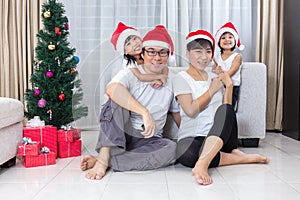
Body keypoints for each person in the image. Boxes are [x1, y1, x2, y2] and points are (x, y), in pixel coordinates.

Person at [80, 25, 180, 180]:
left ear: (168, 54)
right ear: (144, 52)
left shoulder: (172, 78)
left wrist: (191, 135)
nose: (157, 57)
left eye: (162, 52)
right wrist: (144, 112)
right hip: (122, 136)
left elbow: (176, 112)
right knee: (114, 100)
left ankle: (106, 160)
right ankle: (105, 154)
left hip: (150, 141)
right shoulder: (130, 72)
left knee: (173, 149)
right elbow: (112, 89)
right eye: (152, 51)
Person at [172, 30, 269, 185]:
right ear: (187, 52)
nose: (203, 57)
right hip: (193, 136)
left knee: (226, 109)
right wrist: (212, 90)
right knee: (187, 154)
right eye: (198, 51)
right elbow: (190, 110)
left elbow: (227, 111)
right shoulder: (180, 78)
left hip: (220, 136)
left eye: (208, 52)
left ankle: (202, 164)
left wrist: (228, 86)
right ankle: (240, 159)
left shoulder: (216, 77)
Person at [110, 22, 169, 88]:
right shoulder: (127, 60)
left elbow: (164, 67)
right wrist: (160, 77)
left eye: (135, 39)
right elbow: (140, 76)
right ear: (125, 52)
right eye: (128, 44)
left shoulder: (147, 52)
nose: (134, 44)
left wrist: (163, 78)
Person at [212, 22, 244, 110]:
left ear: (235, 40)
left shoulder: (237, 57)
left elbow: (232, 71)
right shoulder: (217, 57)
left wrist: (222, 76)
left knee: (229, 108)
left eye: (230, 37)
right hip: (220, 85)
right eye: (223, 38)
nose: (227, 40)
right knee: (218, 106)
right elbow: (214, 69)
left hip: (232, 86)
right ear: (219, 42)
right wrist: (216, 70)